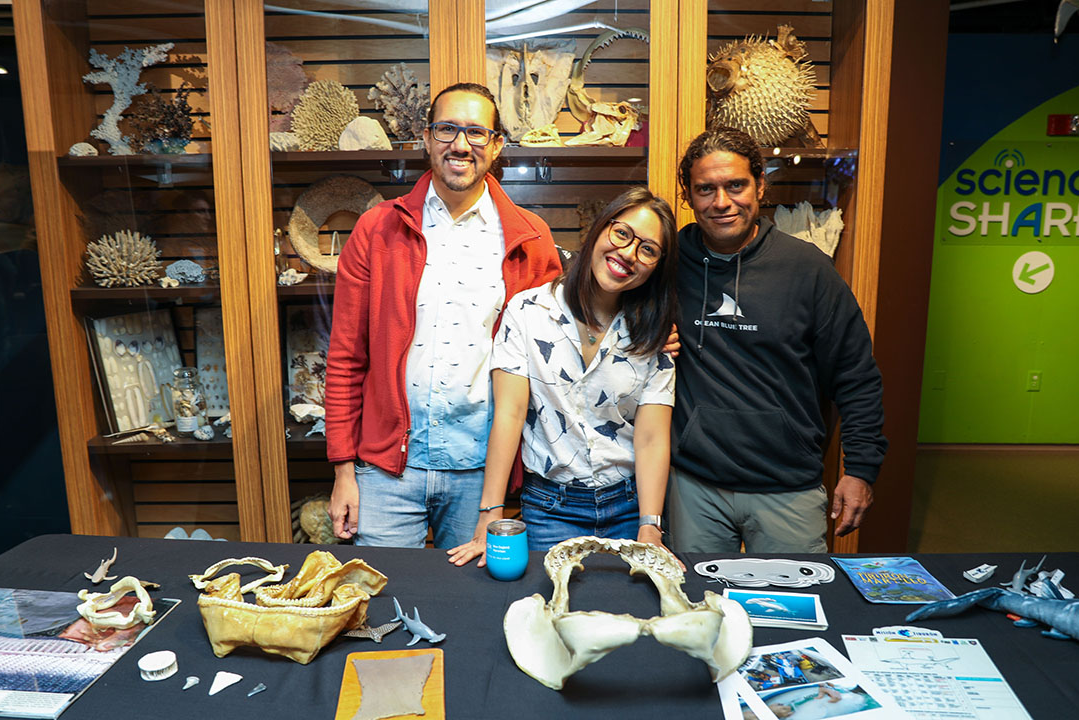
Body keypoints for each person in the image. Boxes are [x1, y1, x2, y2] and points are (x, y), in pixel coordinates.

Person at [324, 82, 562, 549]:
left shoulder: (531, 238)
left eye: (476, 132)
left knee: (474, 608)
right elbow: (346, 357)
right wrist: (343, 472)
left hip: (482, 475)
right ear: (427, 139)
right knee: (381, 600)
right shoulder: (376, 230)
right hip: (387, 472)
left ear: (496, 145)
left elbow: (560, 348)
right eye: (447, 129)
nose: (460, 144)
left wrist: (647, 335)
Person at [667, 128, 887, 554]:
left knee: (795, 612)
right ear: (688, 196)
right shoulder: (668, 264)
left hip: (787, 487)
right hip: (694, 486)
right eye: (705, 189)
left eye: (736, 185)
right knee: (700, 611)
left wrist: (860, 469)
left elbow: (855, 374)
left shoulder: (808, 269)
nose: (722, 202)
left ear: (761, 185)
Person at [449, 187, 680, 564]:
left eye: (648, 250)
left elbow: (652, 438)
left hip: (628, 508)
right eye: (622, 233)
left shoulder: (654, 334)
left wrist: (650, 527)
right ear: (600, 230)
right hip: (550, 508)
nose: (628, 254)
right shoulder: (527, 311)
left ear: (656, 267)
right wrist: (490, 515)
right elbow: (509, 414)